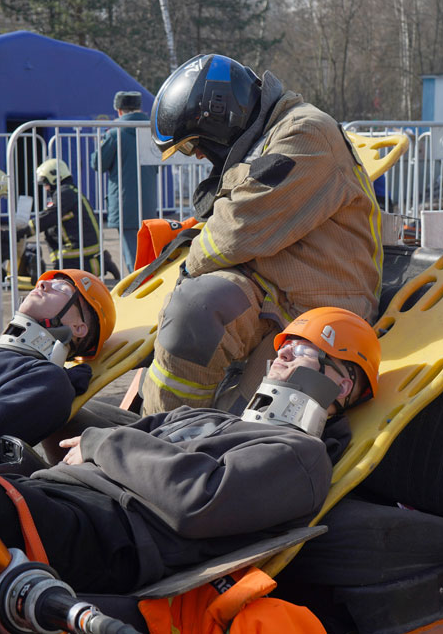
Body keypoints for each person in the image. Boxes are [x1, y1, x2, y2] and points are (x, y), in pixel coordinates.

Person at [0, 307, 379, 633]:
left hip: (106, 535)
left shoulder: (299, 456)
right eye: (282, 345)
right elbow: (126, 448)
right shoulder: (212, 419)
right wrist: (93, 450)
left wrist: (99, 440)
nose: (279, 354)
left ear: (343, 382)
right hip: (57, 497)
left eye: (301, 350)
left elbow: (196, 498)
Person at [140, 53, 382, 414]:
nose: (197, 157)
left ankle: (196, 451)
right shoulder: (265, 139)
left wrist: (187, 271)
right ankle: (160, 435)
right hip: (271, 293)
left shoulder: (306, 132)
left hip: (321, 311)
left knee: (244, 421)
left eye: (194, 144)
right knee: (196, 308)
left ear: (221, 119)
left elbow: (238, 228)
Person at [0, 269, 115, 453]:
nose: (42, 284)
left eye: (61, 288)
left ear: (78, 328)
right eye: (44, 282)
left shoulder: (47, 381)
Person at [90, 91, 159, 273]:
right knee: (148, 253)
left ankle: (139, 293)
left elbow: (98, 163)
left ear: (119, 111)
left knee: (132, 257)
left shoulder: (114, 133)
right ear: (140, 108)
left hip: (124, 203)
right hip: (148, 202)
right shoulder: (151, 132)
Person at [24, 158, 117, 277]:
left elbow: (49, 217)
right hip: (81, 243)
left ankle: (100, 265)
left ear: (55, 177)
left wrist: (24, 230)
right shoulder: (66, 191)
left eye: (46, 183)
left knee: (64, 274)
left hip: (81, 246)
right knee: (61, 271)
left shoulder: (65, 193)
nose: (46, 188)